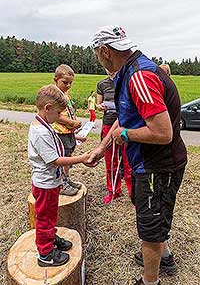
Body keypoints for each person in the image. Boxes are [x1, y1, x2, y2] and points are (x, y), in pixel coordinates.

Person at [89, 25, 187, 285]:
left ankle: (149, 280)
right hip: (147, 161)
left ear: (105, 51)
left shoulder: (139, 77)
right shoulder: (128, 71)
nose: (99, 59)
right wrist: (101, 149)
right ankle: (163, 257)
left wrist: (127, 136)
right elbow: (125, 118)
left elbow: (163, 132)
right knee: (150, 215)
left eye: (98, 55)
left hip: (158, 165)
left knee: (150, 227)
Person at [28, 84, 89, 267]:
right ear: (48, 109)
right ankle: (45, 254)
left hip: (51, 182)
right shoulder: (40, 132)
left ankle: (50, 237)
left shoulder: (44, 124)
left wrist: (75, 138)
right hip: (45, 184)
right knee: (44, 218)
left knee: (50, 215)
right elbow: (55, 160)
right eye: (59, 114)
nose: (60, 118)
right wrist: (82, 158)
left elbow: (54, 142)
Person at [96, 69, 132, 203]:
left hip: (125, 124)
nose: (110, 70)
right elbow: (98, 104)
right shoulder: (102, 84)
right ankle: (113, 190)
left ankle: (133, 193)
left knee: (129, 159)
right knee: (110, 160)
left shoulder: (126, 81)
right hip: (108, 122)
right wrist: (100, 107)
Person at [52, 64, 85, 196]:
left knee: (68, 156)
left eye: (70, 83)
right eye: (65, 82)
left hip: (68, 132)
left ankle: (66, 179)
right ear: (55, 79)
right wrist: (72, 122)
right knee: (62, 158)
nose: (68, 85)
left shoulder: (65, 93)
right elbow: (56, 115)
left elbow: (69, 111)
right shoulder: (54, 95)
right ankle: (61, 184)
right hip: (60, 132)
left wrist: (74, 126)